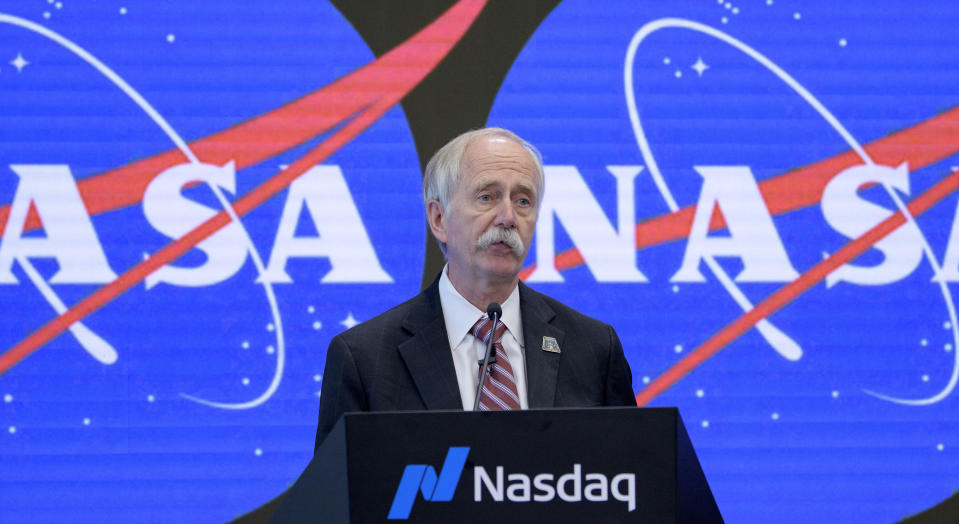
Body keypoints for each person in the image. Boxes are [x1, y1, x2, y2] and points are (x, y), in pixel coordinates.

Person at [314, 128, 635, 448]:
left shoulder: (593, 349)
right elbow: (332, 496)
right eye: (487, 197)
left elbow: (630, 480)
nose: (508, 217)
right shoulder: (366, 359)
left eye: (523, 200)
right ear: (439, 219)